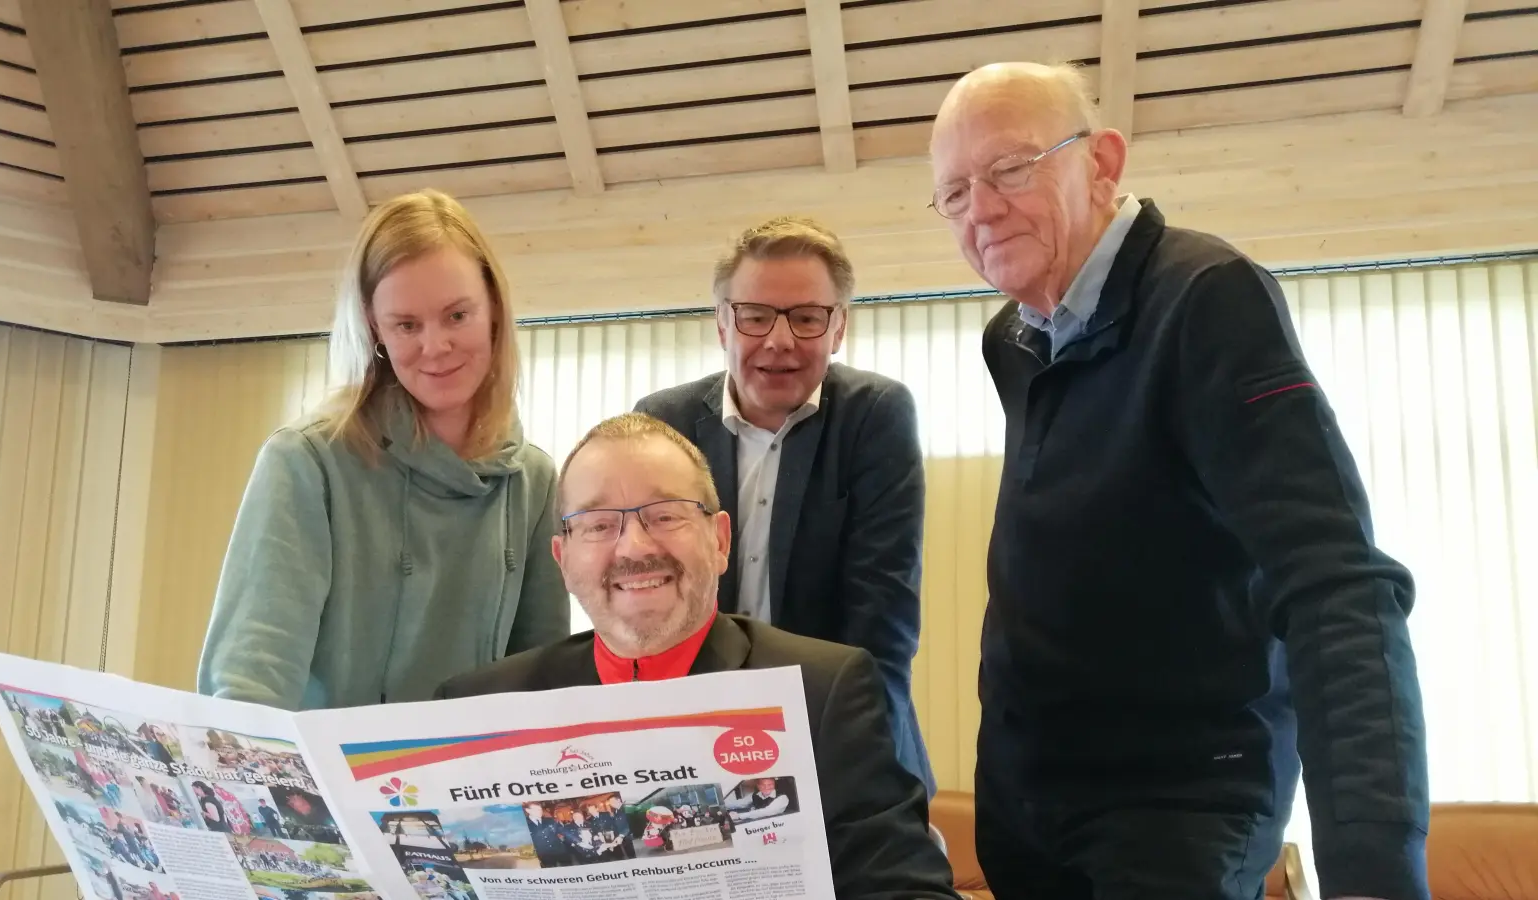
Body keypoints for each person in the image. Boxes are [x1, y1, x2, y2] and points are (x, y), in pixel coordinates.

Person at [928, 62, 1429, 899]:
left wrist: (1373, 866)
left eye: (1012, 169)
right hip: (1027, 806)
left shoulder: (1207, 299)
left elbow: (1334, 583)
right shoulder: (1013, 338)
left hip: (1175, 808)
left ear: (1104, 162)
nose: (981, 208)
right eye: (954, 191)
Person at [436, 413, 960, 900]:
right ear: (563, 559)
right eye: (598, 525)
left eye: (665, 516)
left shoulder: (824, 689)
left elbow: (905, 888)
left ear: (720, 540)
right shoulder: (477, 705)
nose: (633, 547)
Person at [197, 189, 570, 710]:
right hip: (328, 782)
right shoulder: (307, 463)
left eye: (457, 316)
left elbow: (542, 687)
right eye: (407, 325)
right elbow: (252, 681)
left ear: (493, 309)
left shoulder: (534, 480)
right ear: (374, 328)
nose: (435, 346)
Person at [634, 216, 935, 795]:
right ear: (723, 324)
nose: (779, 340)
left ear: (838, 327)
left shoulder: (875, 415)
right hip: (697, 734)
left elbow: (883, 615)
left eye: (806, 317)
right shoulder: (663, 422)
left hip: (839, 723)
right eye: (754, 315)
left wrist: (845, 753)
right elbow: (652, 595)